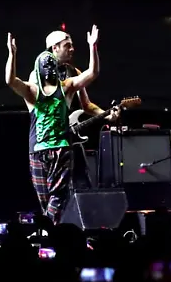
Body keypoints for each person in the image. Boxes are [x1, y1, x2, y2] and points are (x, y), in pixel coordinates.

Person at [6, 27, 102, 222]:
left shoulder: (67, 84)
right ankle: (51, 230)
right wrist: (12, 54)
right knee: (46, 200)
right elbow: (10, 80)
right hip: (38, 149)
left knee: (57, 198)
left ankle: (48, 234)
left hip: (61, 148)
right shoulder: (32, 88)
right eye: (68, 46)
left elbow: (92, 74)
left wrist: (93, 47)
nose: (50, 70)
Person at [26, 30, 115, 190]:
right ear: (55, 48)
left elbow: (86, 105)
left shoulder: (73, 72)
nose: (72, 49)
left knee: (83, 182)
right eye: (68, 46)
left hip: (72, 136)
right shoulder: (37, 75)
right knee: (55, 189)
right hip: (51, 141)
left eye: (72, 46)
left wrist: (105, 115)